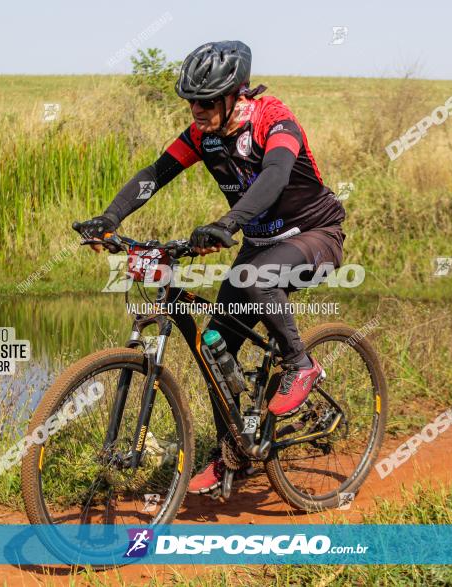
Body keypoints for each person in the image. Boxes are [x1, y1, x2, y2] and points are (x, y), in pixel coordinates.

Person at [74, 40, 346, 494]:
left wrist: (227, 222)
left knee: (259, 280)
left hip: (313, 235)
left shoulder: (273, 119)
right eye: (190, 101)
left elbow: (276, 174)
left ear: (235, 94)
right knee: (215, 350)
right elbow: (155, 174)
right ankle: (233, 455)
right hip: (259, 243)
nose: (196, 110)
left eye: (205, 101)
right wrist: (110, 217)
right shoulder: (204, 136)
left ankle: (301, 364)